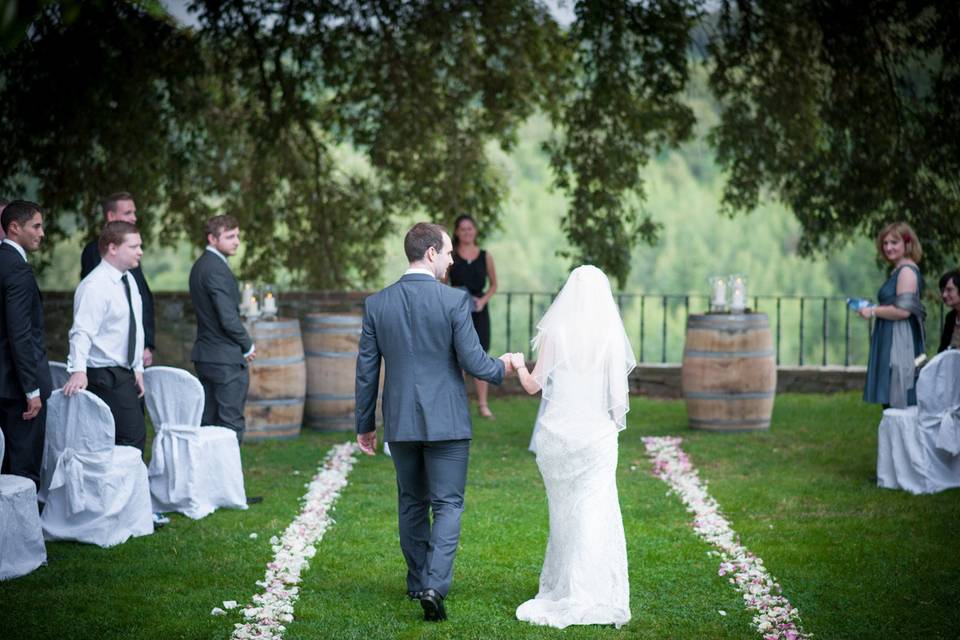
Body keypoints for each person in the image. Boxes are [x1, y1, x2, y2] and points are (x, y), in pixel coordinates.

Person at [354, 222, 514, 622]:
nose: (452, 259)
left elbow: (366, 371)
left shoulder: (377, 304)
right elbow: (475, 363)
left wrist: (365, 424)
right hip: (447, 421)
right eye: (446, 252)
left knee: (411, 502)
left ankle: (416, 582)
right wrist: (506, 366)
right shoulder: (455, 301)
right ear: (429, 254)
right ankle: (434, 586)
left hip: (401, 420)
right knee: (447, 504)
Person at [510, 265, 634, 629]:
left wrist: (518, 364)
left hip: (558, 438)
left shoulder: (556, 331)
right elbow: (616, 400)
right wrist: (607, 429)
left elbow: (533, 386)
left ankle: (569, 586)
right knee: (594, 512)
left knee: (564, 516)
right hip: (595, 438)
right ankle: (590, 588)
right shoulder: (611, 335)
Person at [63, 221, 148, 452]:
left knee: (129, 439)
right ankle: (118, 488)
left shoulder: (128, 279)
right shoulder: (94, 285)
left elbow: (135, 327)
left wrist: (137, 368)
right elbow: (81, 332)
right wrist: (78, 371)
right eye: (133, 246)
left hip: (125, 373)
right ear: (113, 248)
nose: (140, 251)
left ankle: (124, 488)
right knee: (130, 439)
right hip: (104, 375)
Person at [0, 200, 53, 492]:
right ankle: (24, 537)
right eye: (36, 225)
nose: (41, 233)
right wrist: (31, 390)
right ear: (14, 227)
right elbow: (19, 333)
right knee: (22, 470)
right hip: (18, 387)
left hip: (3, 382)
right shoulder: (18, 269)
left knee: (3, 466)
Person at [189, 215, 255, 444]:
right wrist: (248, 345)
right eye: (229, 237)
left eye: (237, 236)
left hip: (206, 357)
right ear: (212, 238)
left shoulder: (201, 266)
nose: (236, 241)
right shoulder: (215, 268)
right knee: (230, 425)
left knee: (208, 424)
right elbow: (227, 318)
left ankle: (208, 478)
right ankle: (229, 480)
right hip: (224, 360)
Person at [80, 192, 156, 367]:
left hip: (134, 351)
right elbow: (98, 306)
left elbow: (141, 297)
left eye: (134, 212)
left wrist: (146, 344)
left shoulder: (129, 251)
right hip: (111, 359)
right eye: (128, 213)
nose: (134, 218)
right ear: (111, 216)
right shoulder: (95, 252)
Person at [861, 222, 926, 408]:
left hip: (900, 341)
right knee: (891, 400)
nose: (888, 247)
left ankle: (899, 438)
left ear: (907, 243)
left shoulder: (906, 272)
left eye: (894, 242)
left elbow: (903, 311)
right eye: (885, 243)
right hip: (893, 337)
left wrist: (873, 310)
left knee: (899, 399)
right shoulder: (898, 270)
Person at [448, 215, 499, 419]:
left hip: (479, 311)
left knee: (481, 355)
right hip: (457, 311)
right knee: (458, 357)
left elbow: (494, 285)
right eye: (462, 229)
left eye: (470, 228)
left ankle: (483, 405)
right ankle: (459, 404)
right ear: (457, 232)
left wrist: (483, 300)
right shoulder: (451, 255)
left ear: (475, 231)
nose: (467, 232)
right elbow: (444, 284)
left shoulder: (485, 256)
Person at [937, 269, 960, 352]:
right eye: (942, 291)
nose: (944, 295)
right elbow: (942, 351)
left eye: (949, 290)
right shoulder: (950, 317)